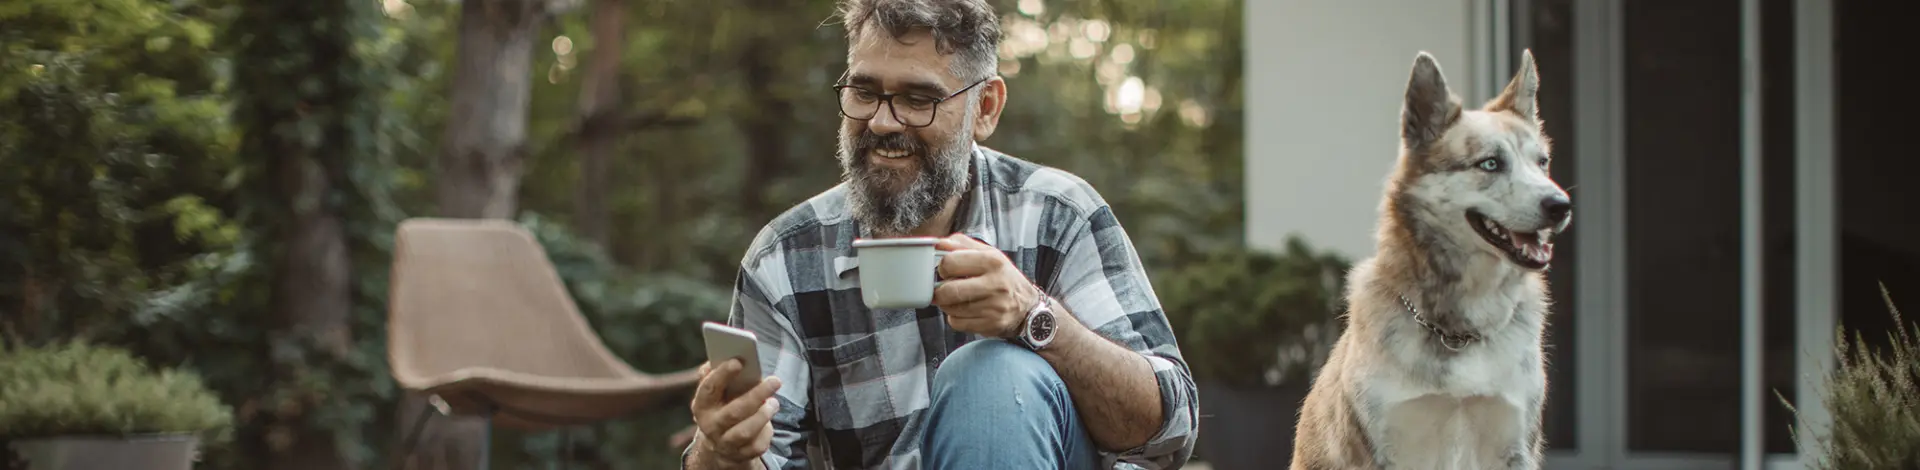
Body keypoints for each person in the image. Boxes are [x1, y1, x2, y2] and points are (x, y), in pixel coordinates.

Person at [681, 1, 1198, 468]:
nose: (883, 122)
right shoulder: (786, 259)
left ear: (986, 108)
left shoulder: (1056, 215)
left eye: (918, 99)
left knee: (993, 377)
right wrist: (719, 451)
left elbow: (1169, 432)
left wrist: (1034, 317)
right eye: (864, 91)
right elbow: (765, 457)